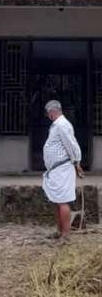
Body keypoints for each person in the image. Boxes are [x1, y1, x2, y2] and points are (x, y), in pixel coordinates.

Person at [42, 99, 83, 241]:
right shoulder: (57, 125)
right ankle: (59, 231)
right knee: (55, 200)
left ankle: (65, 235)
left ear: (52, 112)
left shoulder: (62, 125)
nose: (48, 117)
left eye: (48, 114)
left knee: (62, 201)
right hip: (55, 170)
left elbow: (71, 145)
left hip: (63, 168)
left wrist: (77, 162)